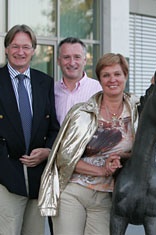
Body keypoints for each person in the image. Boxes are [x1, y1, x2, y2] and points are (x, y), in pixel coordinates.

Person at [38, 53, 140, 235]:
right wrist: (102, 170)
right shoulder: (81, 113)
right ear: (99, 80)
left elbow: (154, 134)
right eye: (106, 75)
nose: (112, 80)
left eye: (117, 74)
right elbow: (64, 158)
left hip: (106, 197)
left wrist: (120, 157)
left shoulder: (138, 110)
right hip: (74, 191)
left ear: (126, 76)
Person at [0, 24, 59, 235]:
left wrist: (48, 151)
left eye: (26, 46)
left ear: (34, 50)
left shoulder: (45, 82)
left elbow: (53, 127)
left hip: (37, 178)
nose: (20, 52)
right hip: (5, 178)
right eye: (15, 46)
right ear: (6, 48)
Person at [55, 37, 102, 125]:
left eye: (77, 57)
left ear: (84, 60)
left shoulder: (99, 90)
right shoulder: (51, 91)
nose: (72, 62)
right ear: (58, 61)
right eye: (66, 57)